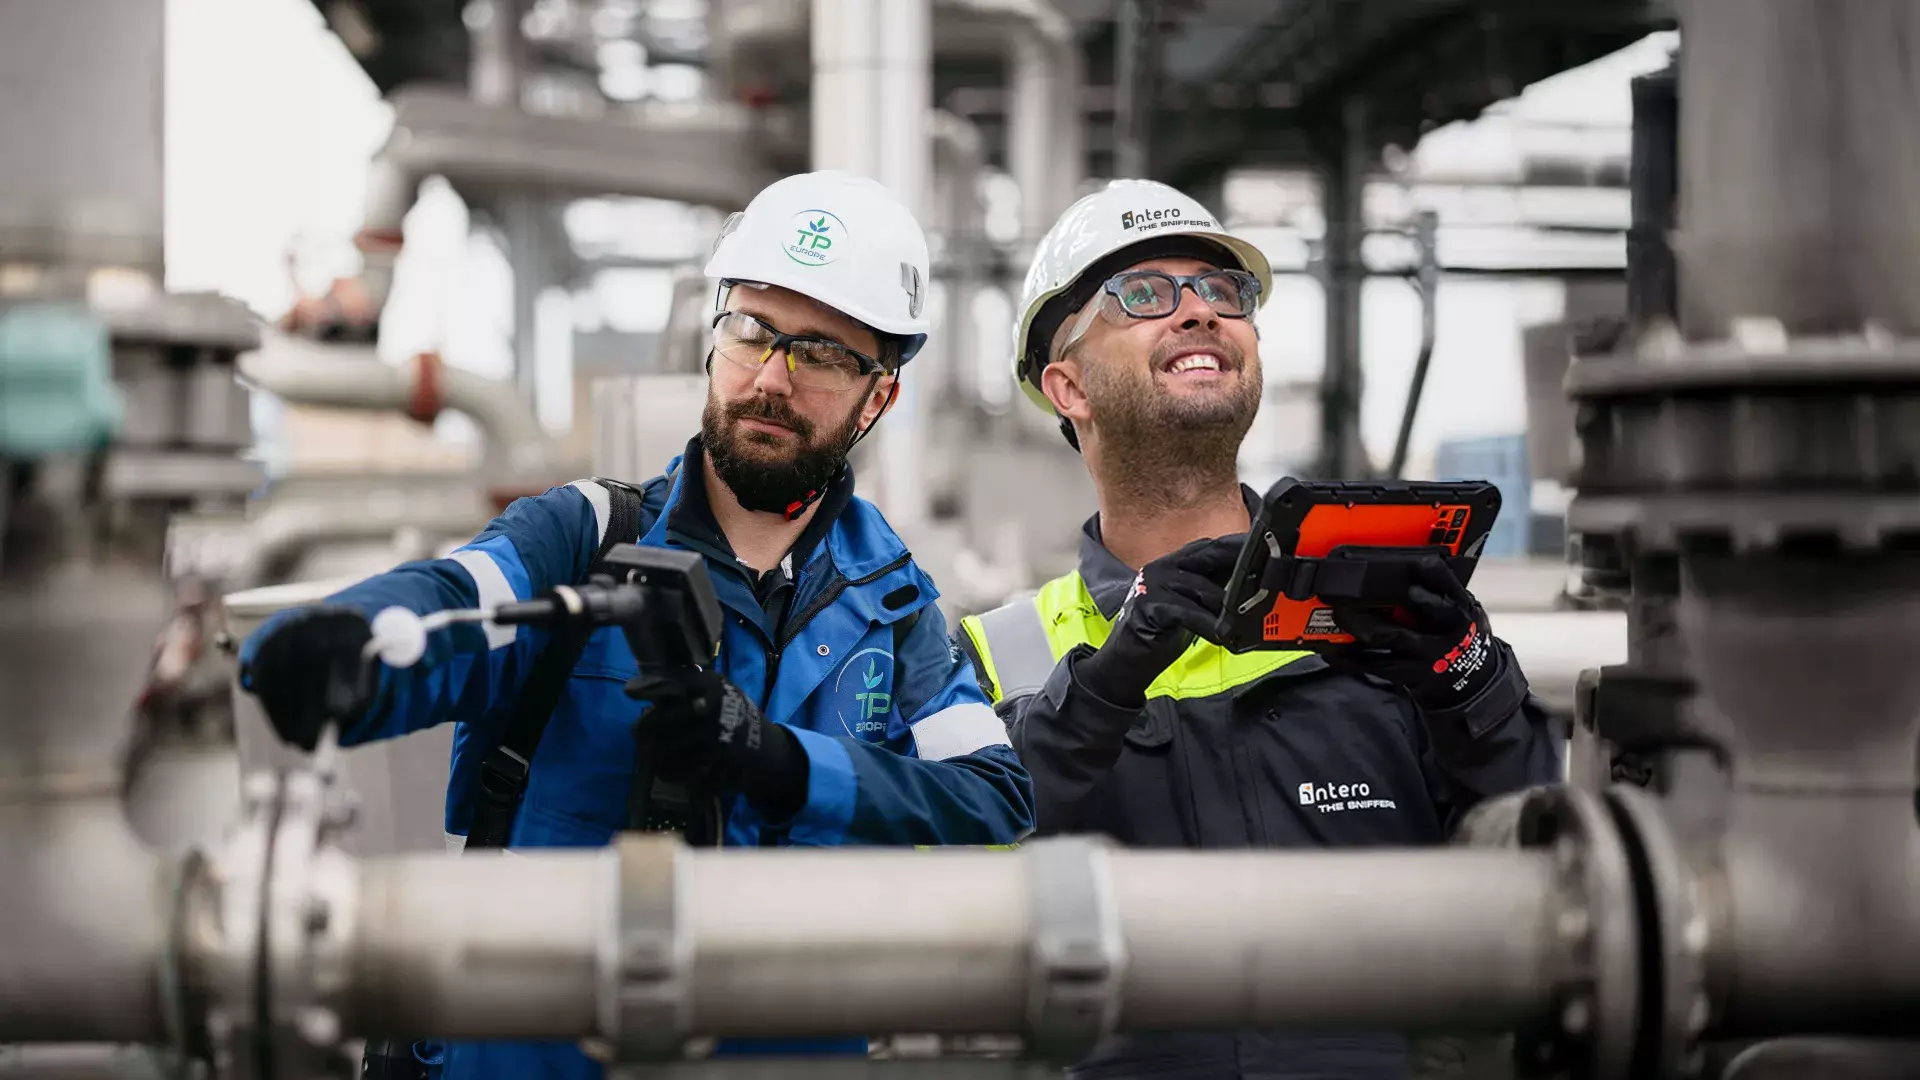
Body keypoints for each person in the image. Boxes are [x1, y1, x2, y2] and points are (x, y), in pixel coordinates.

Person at [240, 170, 1034, 1080]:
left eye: (820, 353)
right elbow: (459, 596)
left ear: (878, 397)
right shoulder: (583, 538)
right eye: (752, 332)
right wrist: (349, 640)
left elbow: (991, 803)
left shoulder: (898, 609)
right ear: (714, 341)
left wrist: (783, 764)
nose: (771, 378)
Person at [954, 178, 1561, 1080]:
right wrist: (1104, 685)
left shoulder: (1382, 614)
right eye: (1146, 295)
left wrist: (1471, 679)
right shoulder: (999, 654)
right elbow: (940, 881)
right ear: (1066, 386)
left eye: (1222, 292)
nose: (1200, 311)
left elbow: (1546, 865)